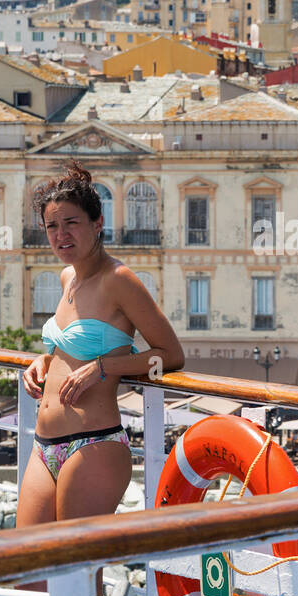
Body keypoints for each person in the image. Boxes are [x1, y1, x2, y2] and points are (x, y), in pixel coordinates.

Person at [19, 160, 183, 536]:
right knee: (27, 571)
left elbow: (171, 354)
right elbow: (70, 345)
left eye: (71, 223)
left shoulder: (119, 280)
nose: (61, 235)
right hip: (44, 445)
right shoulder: (67, 278)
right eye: (52, 227)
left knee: (78, 573)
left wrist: (106, 367)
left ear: (97, 224)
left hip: (93, 444)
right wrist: (44, 360)